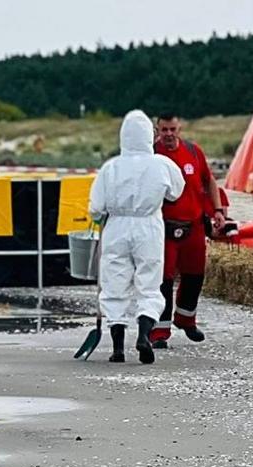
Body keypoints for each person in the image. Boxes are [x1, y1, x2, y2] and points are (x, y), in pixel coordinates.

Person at [88, 111, 185, 365]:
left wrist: (102, 214)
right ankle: (144, 335)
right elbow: (176, 192)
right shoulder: (162, 164)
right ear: (148, 136)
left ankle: (118, 349)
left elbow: (96, 208)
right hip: (148, 226)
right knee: (149, 283)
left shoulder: (110, 167)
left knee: (114, 284)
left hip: (117, 227)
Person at [151, 113, 231, 347]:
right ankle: (159, 331)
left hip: (194, 226)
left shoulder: (193, 151)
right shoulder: (152, 155)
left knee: (195, 276)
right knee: (163, 281)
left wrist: (217, 210)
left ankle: (186, 319)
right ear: (157, 130)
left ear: (180, 128)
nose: (168, 134)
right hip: (164, 228)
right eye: (164, 130)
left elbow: (209, 181)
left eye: (172, 129)